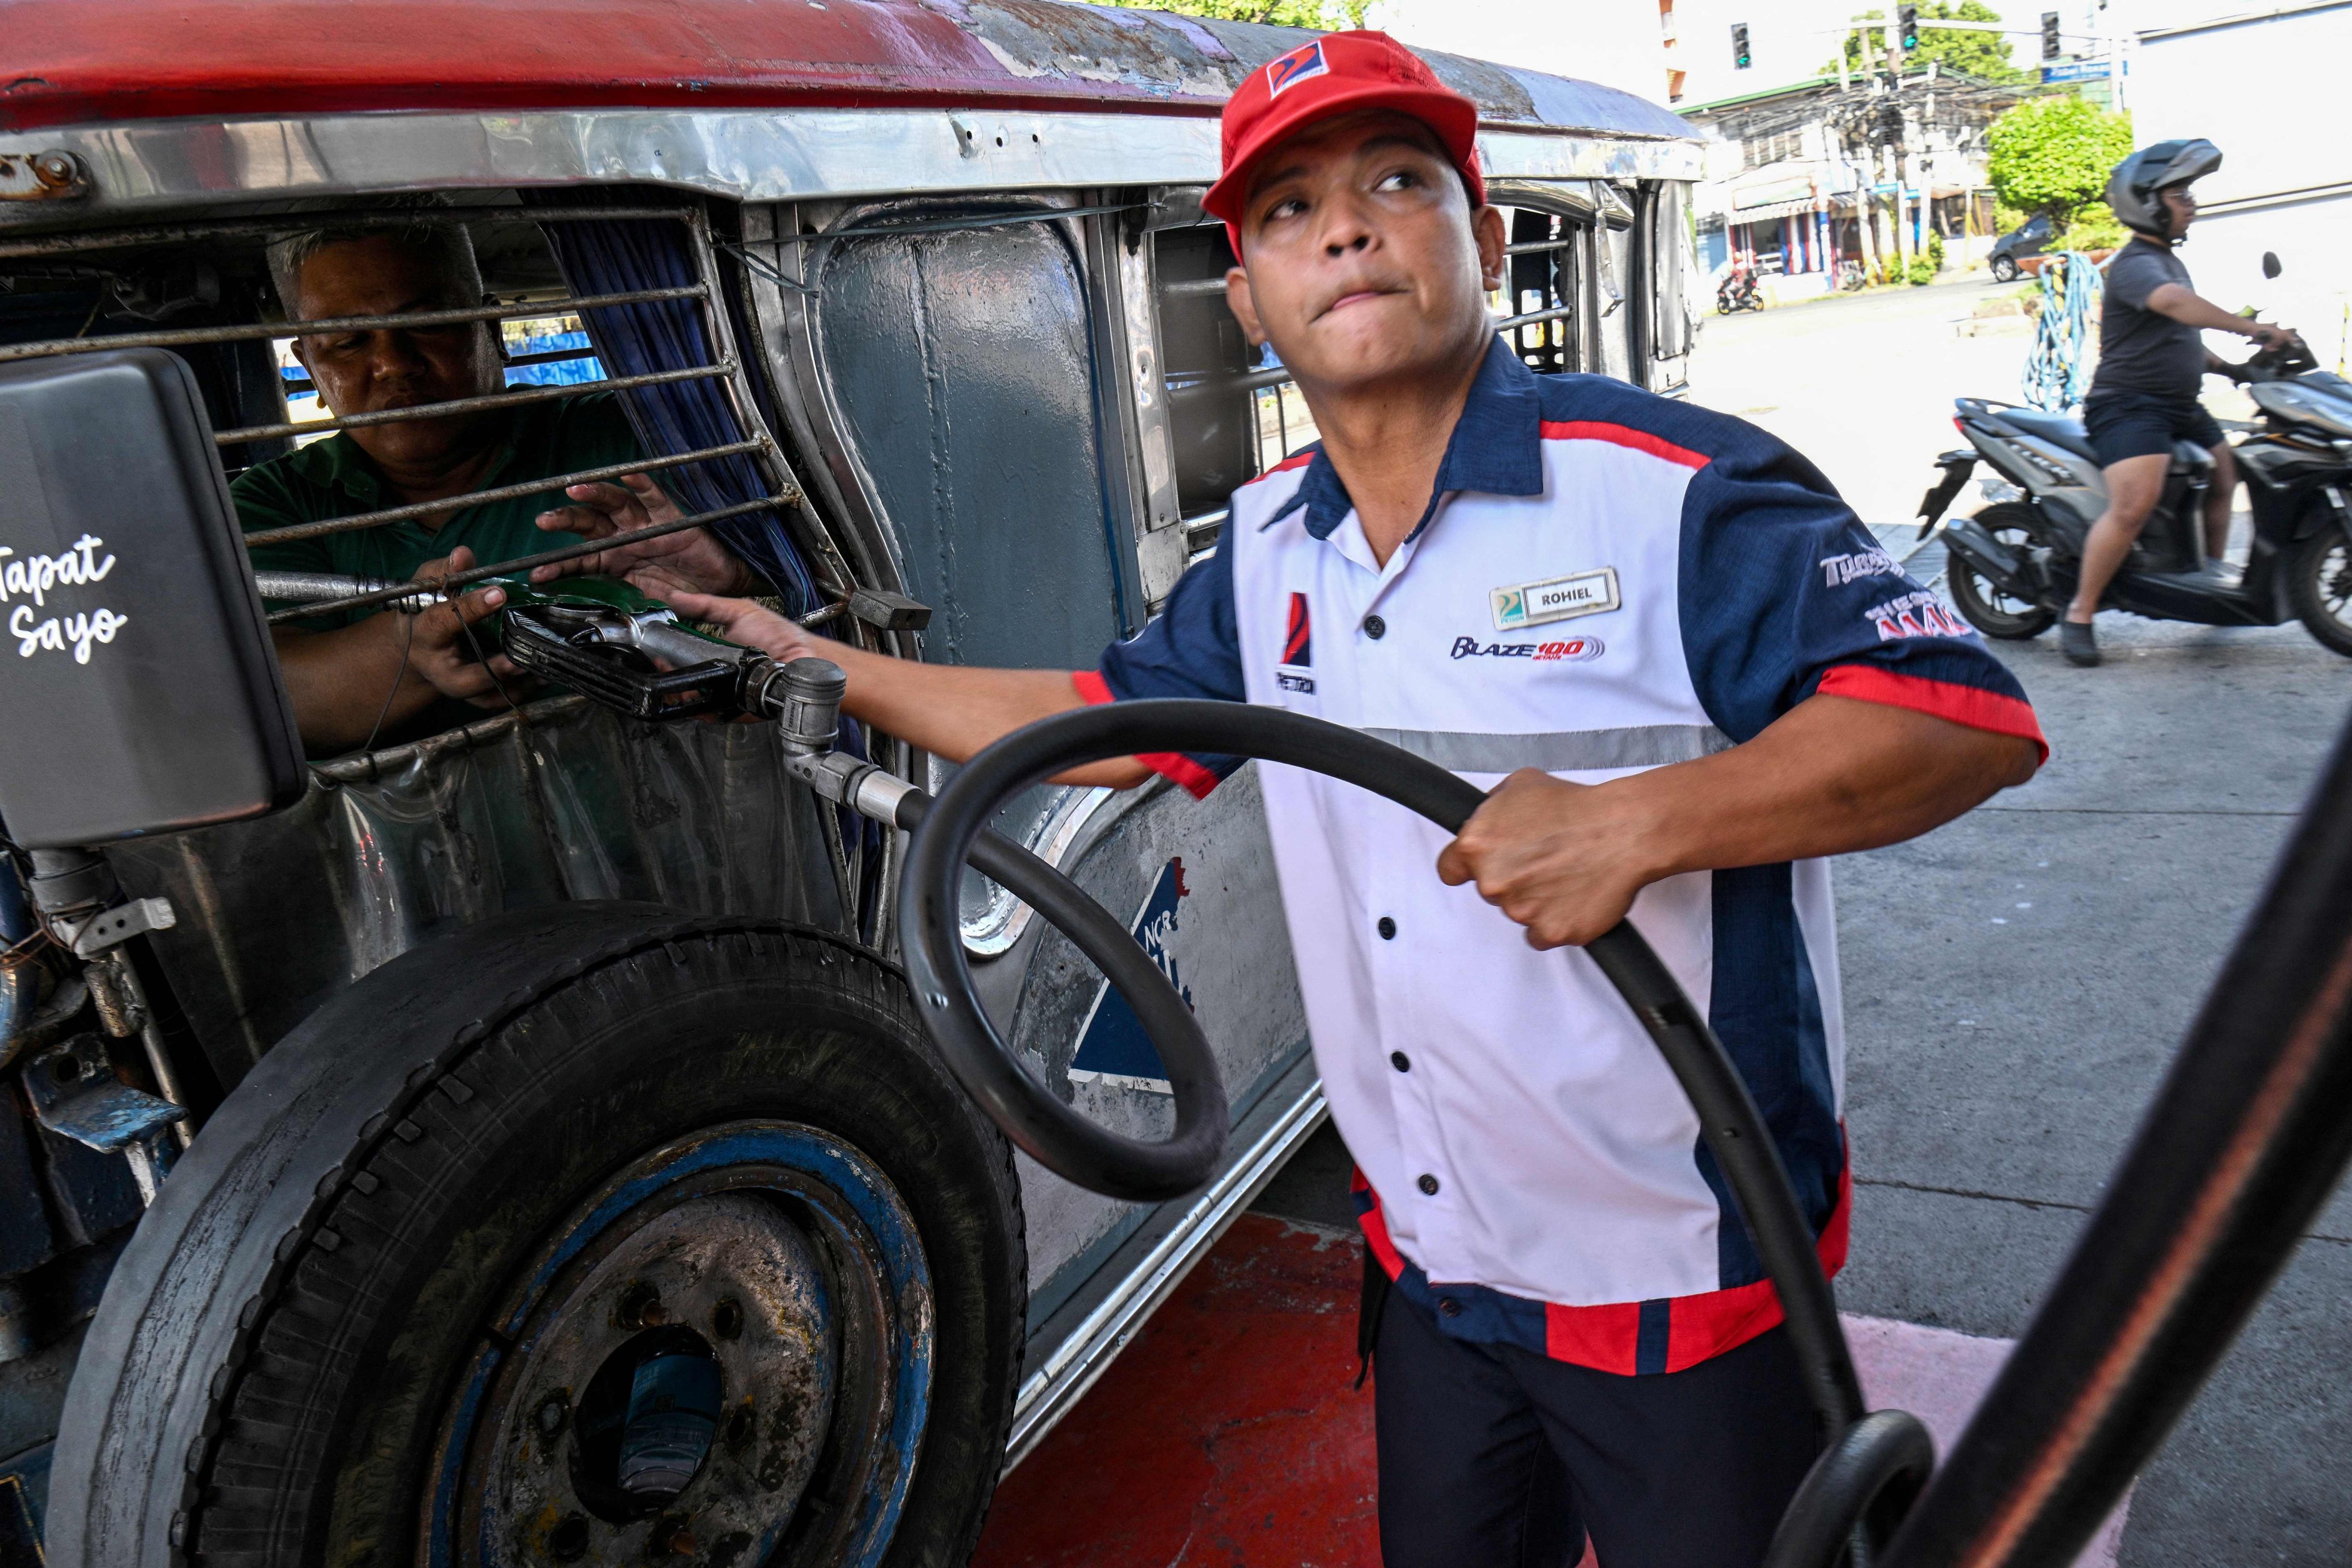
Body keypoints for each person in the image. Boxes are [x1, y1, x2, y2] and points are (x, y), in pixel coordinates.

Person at [673, 33, 2046, 1567]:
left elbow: (1955, 720)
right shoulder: (1265, 550)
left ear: (1484, 232)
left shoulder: (1666, 489)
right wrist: (818, 663)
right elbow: (1103, 723)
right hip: (1434, 1263)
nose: (1345, 225)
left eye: (1397, 181)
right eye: (1285, 211)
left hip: (1673, 1270)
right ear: (1245, 298)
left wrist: (1642, 820)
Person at [234, 222, 757, 752]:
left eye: (427, 325)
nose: (394, 364)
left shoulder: (644, 433)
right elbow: (257, 697)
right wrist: (408, 653)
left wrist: (741, 572)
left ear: (492, 328)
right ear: (308, 366)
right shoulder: (272, 505)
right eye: (348, 342)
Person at [2061, 140, 2300, 667]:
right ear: (2147, 203)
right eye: (2178, 194)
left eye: (2189, 193)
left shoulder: (2167, 260)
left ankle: (2207, 583)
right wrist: (2250, 326)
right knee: (2133, 505)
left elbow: (2179, 336)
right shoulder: (2136, 265)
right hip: (2128, 405)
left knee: (2224, 475)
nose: (2190, 203)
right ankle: (2079, 613)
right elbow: (2175, 307)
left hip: (2176, 403)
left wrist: (2231, 366)